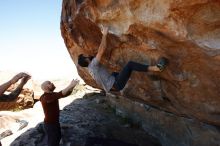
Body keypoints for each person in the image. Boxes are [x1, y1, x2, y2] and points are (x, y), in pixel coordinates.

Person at [77, 27, 168, 93]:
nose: (88, 55)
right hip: (116, 84)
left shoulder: (90, 69)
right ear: (86, 60)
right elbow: (101, 49)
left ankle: (121, 82)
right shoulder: (93, 65)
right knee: (130, 65)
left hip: (113, 83)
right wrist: (104, 34)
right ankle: (156, 68)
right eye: (86, 55)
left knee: (115, 73)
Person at [40, 79, 79, 146]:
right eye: (49, 83)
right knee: (52, 143)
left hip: (55, 123)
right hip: (50, 125)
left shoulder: (52, 95)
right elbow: (60, 94)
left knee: (57, 139)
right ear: (46, 87)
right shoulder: (44, 97)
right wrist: (70, 85)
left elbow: (64, 94)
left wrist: (72, 86)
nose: (52, 83)